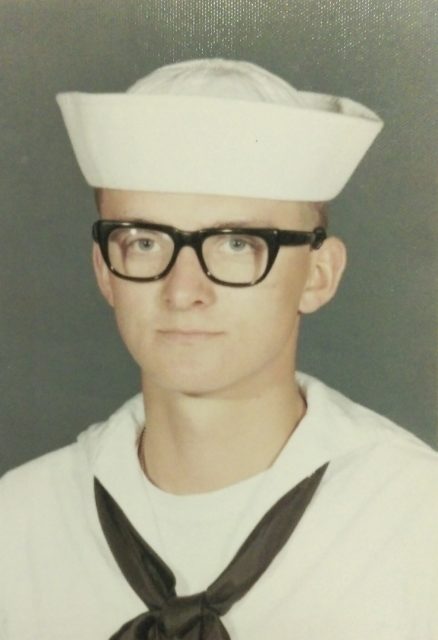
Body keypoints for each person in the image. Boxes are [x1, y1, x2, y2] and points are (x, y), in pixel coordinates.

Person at [1, 58, 437, 640]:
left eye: (237, 243)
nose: (184, 291)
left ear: (318, 275)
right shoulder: (19, 522)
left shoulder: (417, 520)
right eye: (145, 241)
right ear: (105, 270)